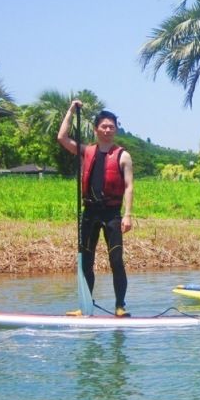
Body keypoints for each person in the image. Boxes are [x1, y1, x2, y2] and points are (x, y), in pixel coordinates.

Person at [58, 100, 134, 317]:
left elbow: (129, 187)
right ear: (96, 129)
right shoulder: (86, 151)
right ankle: (85, 306)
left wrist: (127, 215)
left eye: (112, 126)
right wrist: (71, 111)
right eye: (104, 126)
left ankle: (120, 306)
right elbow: (62, 138)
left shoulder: (123, 155)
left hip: (112, 214)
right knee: (86, 261)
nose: (108, 130)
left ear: (116, 129)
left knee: (116, 260)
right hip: (90, 213)